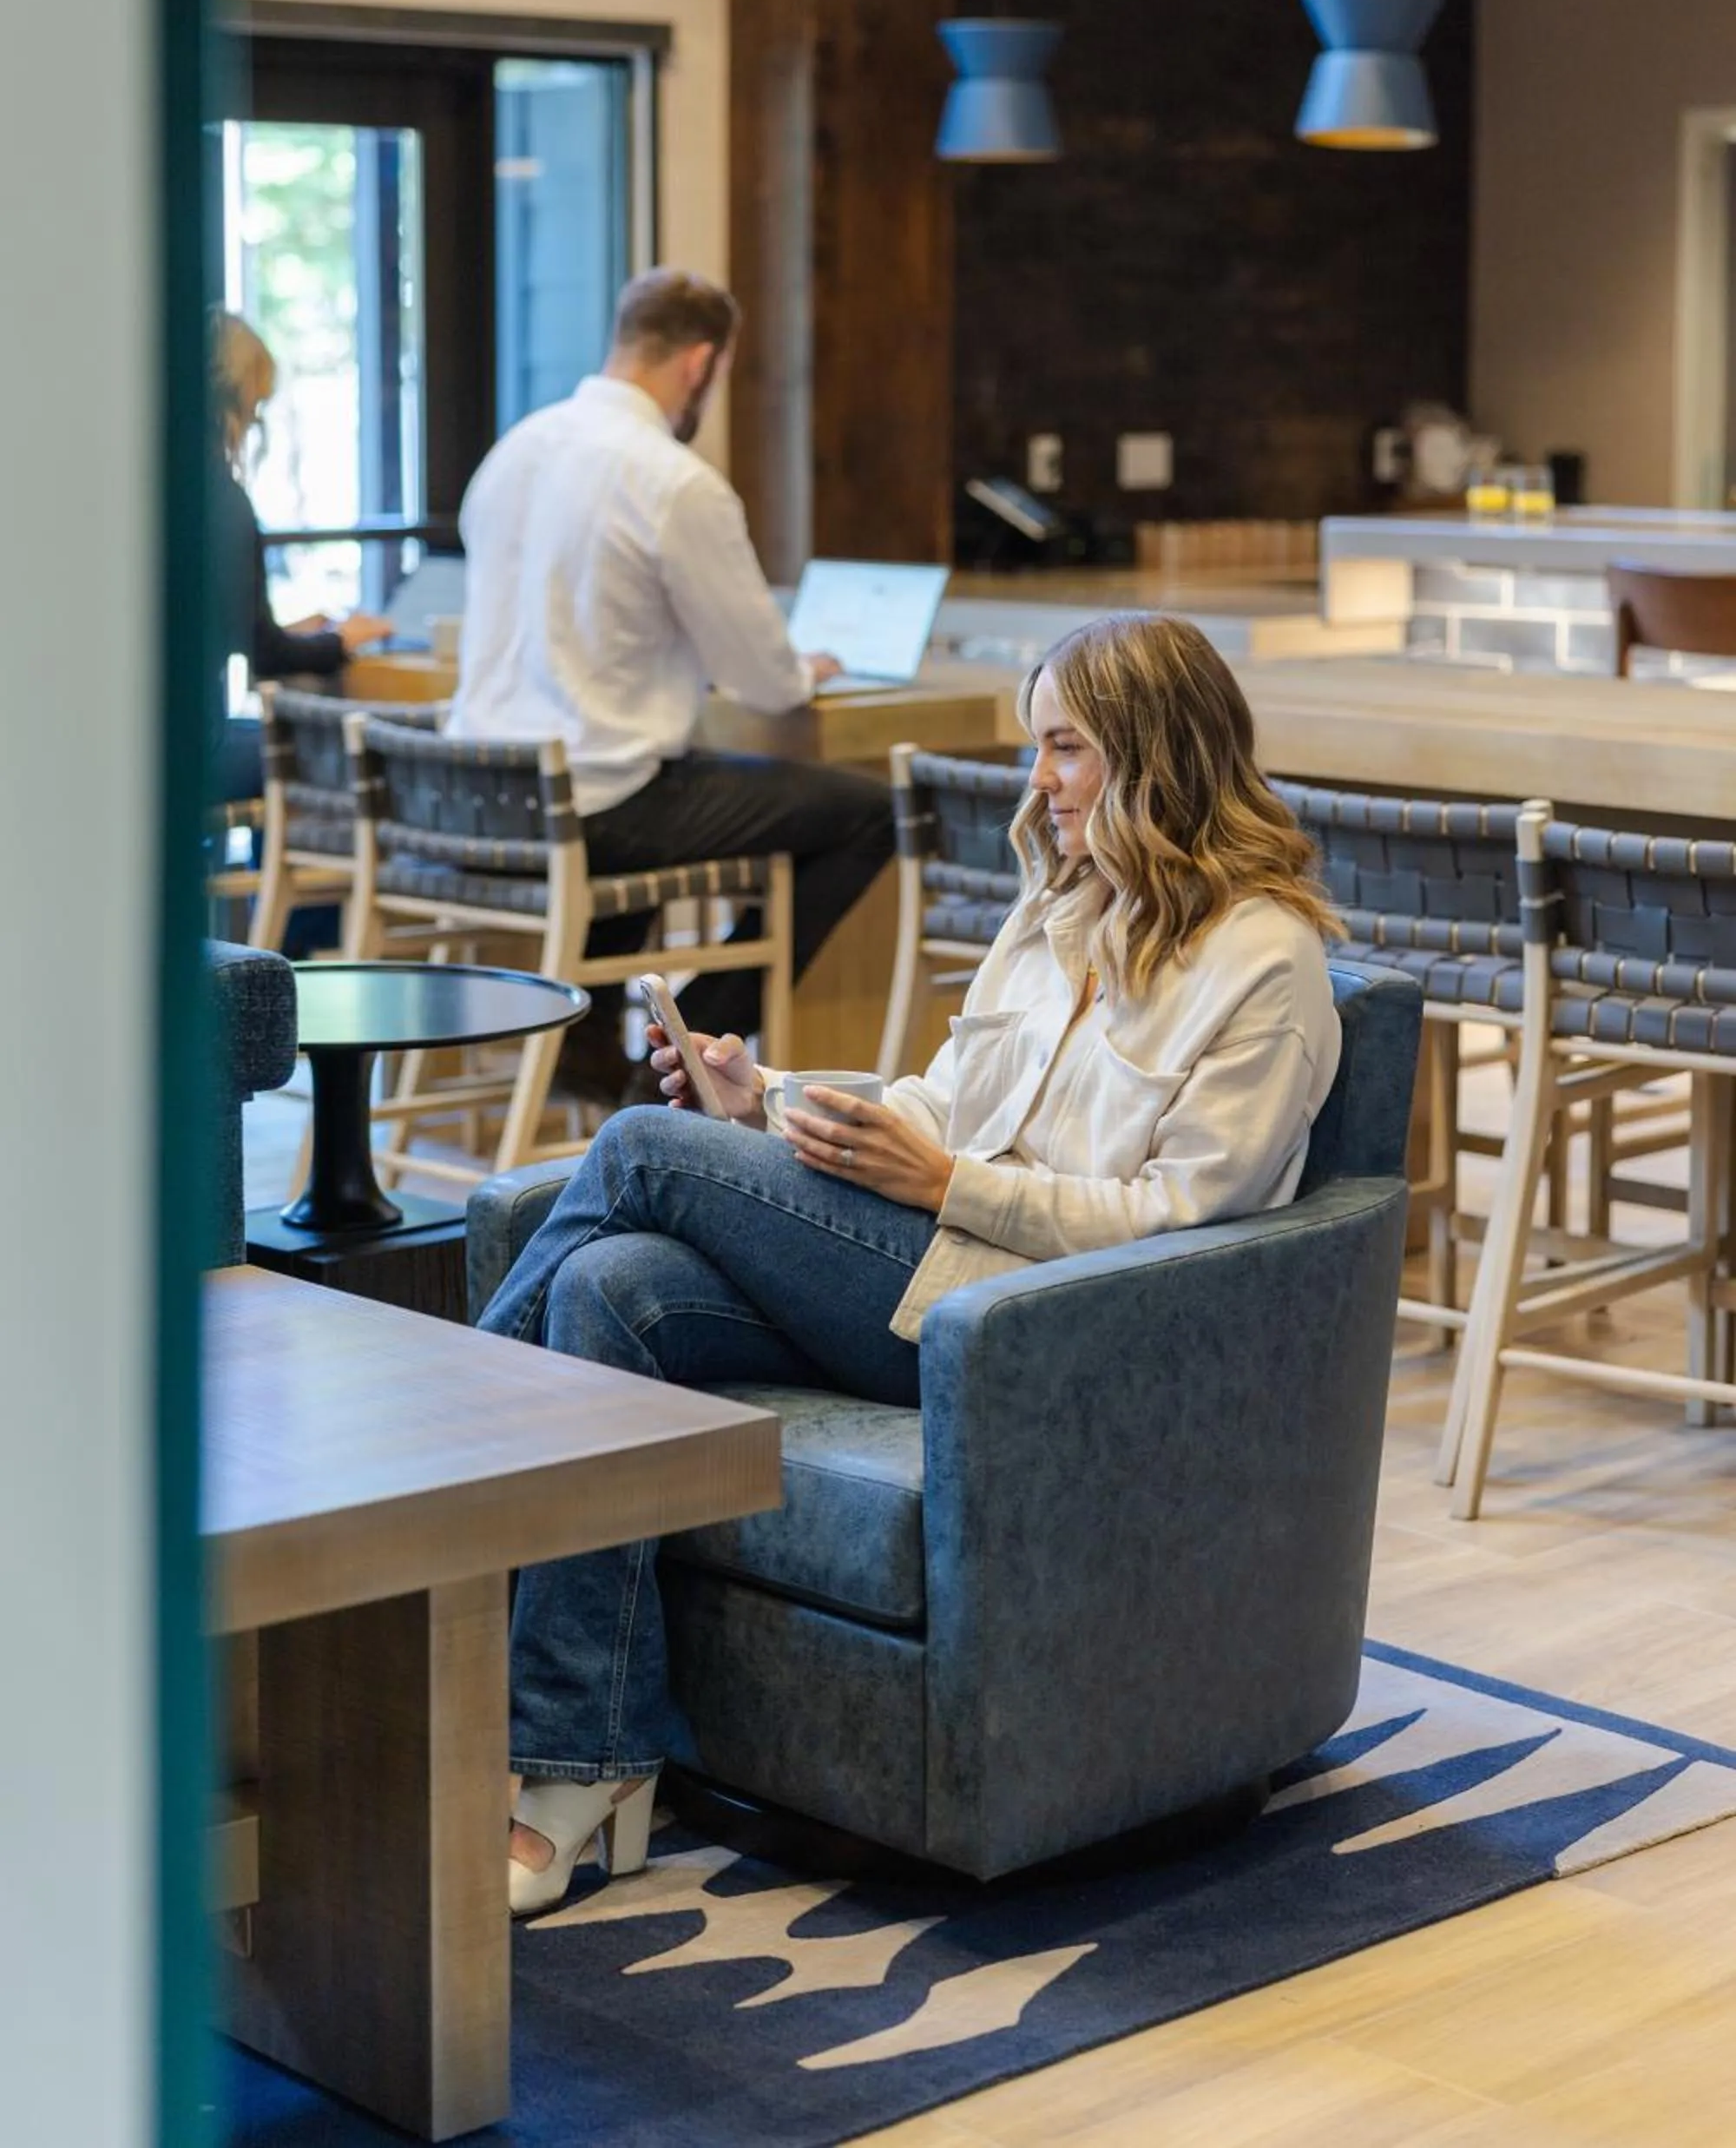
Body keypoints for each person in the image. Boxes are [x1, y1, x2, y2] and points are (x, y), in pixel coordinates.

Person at [480, 610, 1346, 1916]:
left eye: (1065, 750)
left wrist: (950, 1186)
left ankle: (446, 1461)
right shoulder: (1059, 907)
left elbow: (1187, 1223)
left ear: (1154, 755)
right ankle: (578, 1766)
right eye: (1038, 748)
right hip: (926, 1268)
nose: (1037, 781)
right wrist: (769, 1098)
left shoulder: (1265, 964)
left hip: (1031, 1326)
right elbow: (937, 1105)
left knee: (640, 1153)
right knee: (612, 1291)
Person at [446, 267, 893, 1084]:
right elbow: (765, 682)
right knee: (867, 813)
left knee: (661, 773)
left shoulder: (514, 451)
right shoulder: (673, 481)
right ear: (700, 365)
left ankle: (585, 1053)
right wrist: (804, 666)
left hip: (477, 802)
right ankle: (676, 1054)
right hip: (594, 809)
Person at [209, 309, 388, 804]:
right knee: (341, 754)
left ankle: (264, 883)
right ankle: (296, 882)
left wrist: (293, 631)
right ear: (238, 401)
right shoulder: (223, 500)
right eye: (257, 410)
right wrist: (340, 641)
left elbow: (231, 631)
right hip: (196, 752)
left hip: (149, 743)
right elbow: (264, 652)